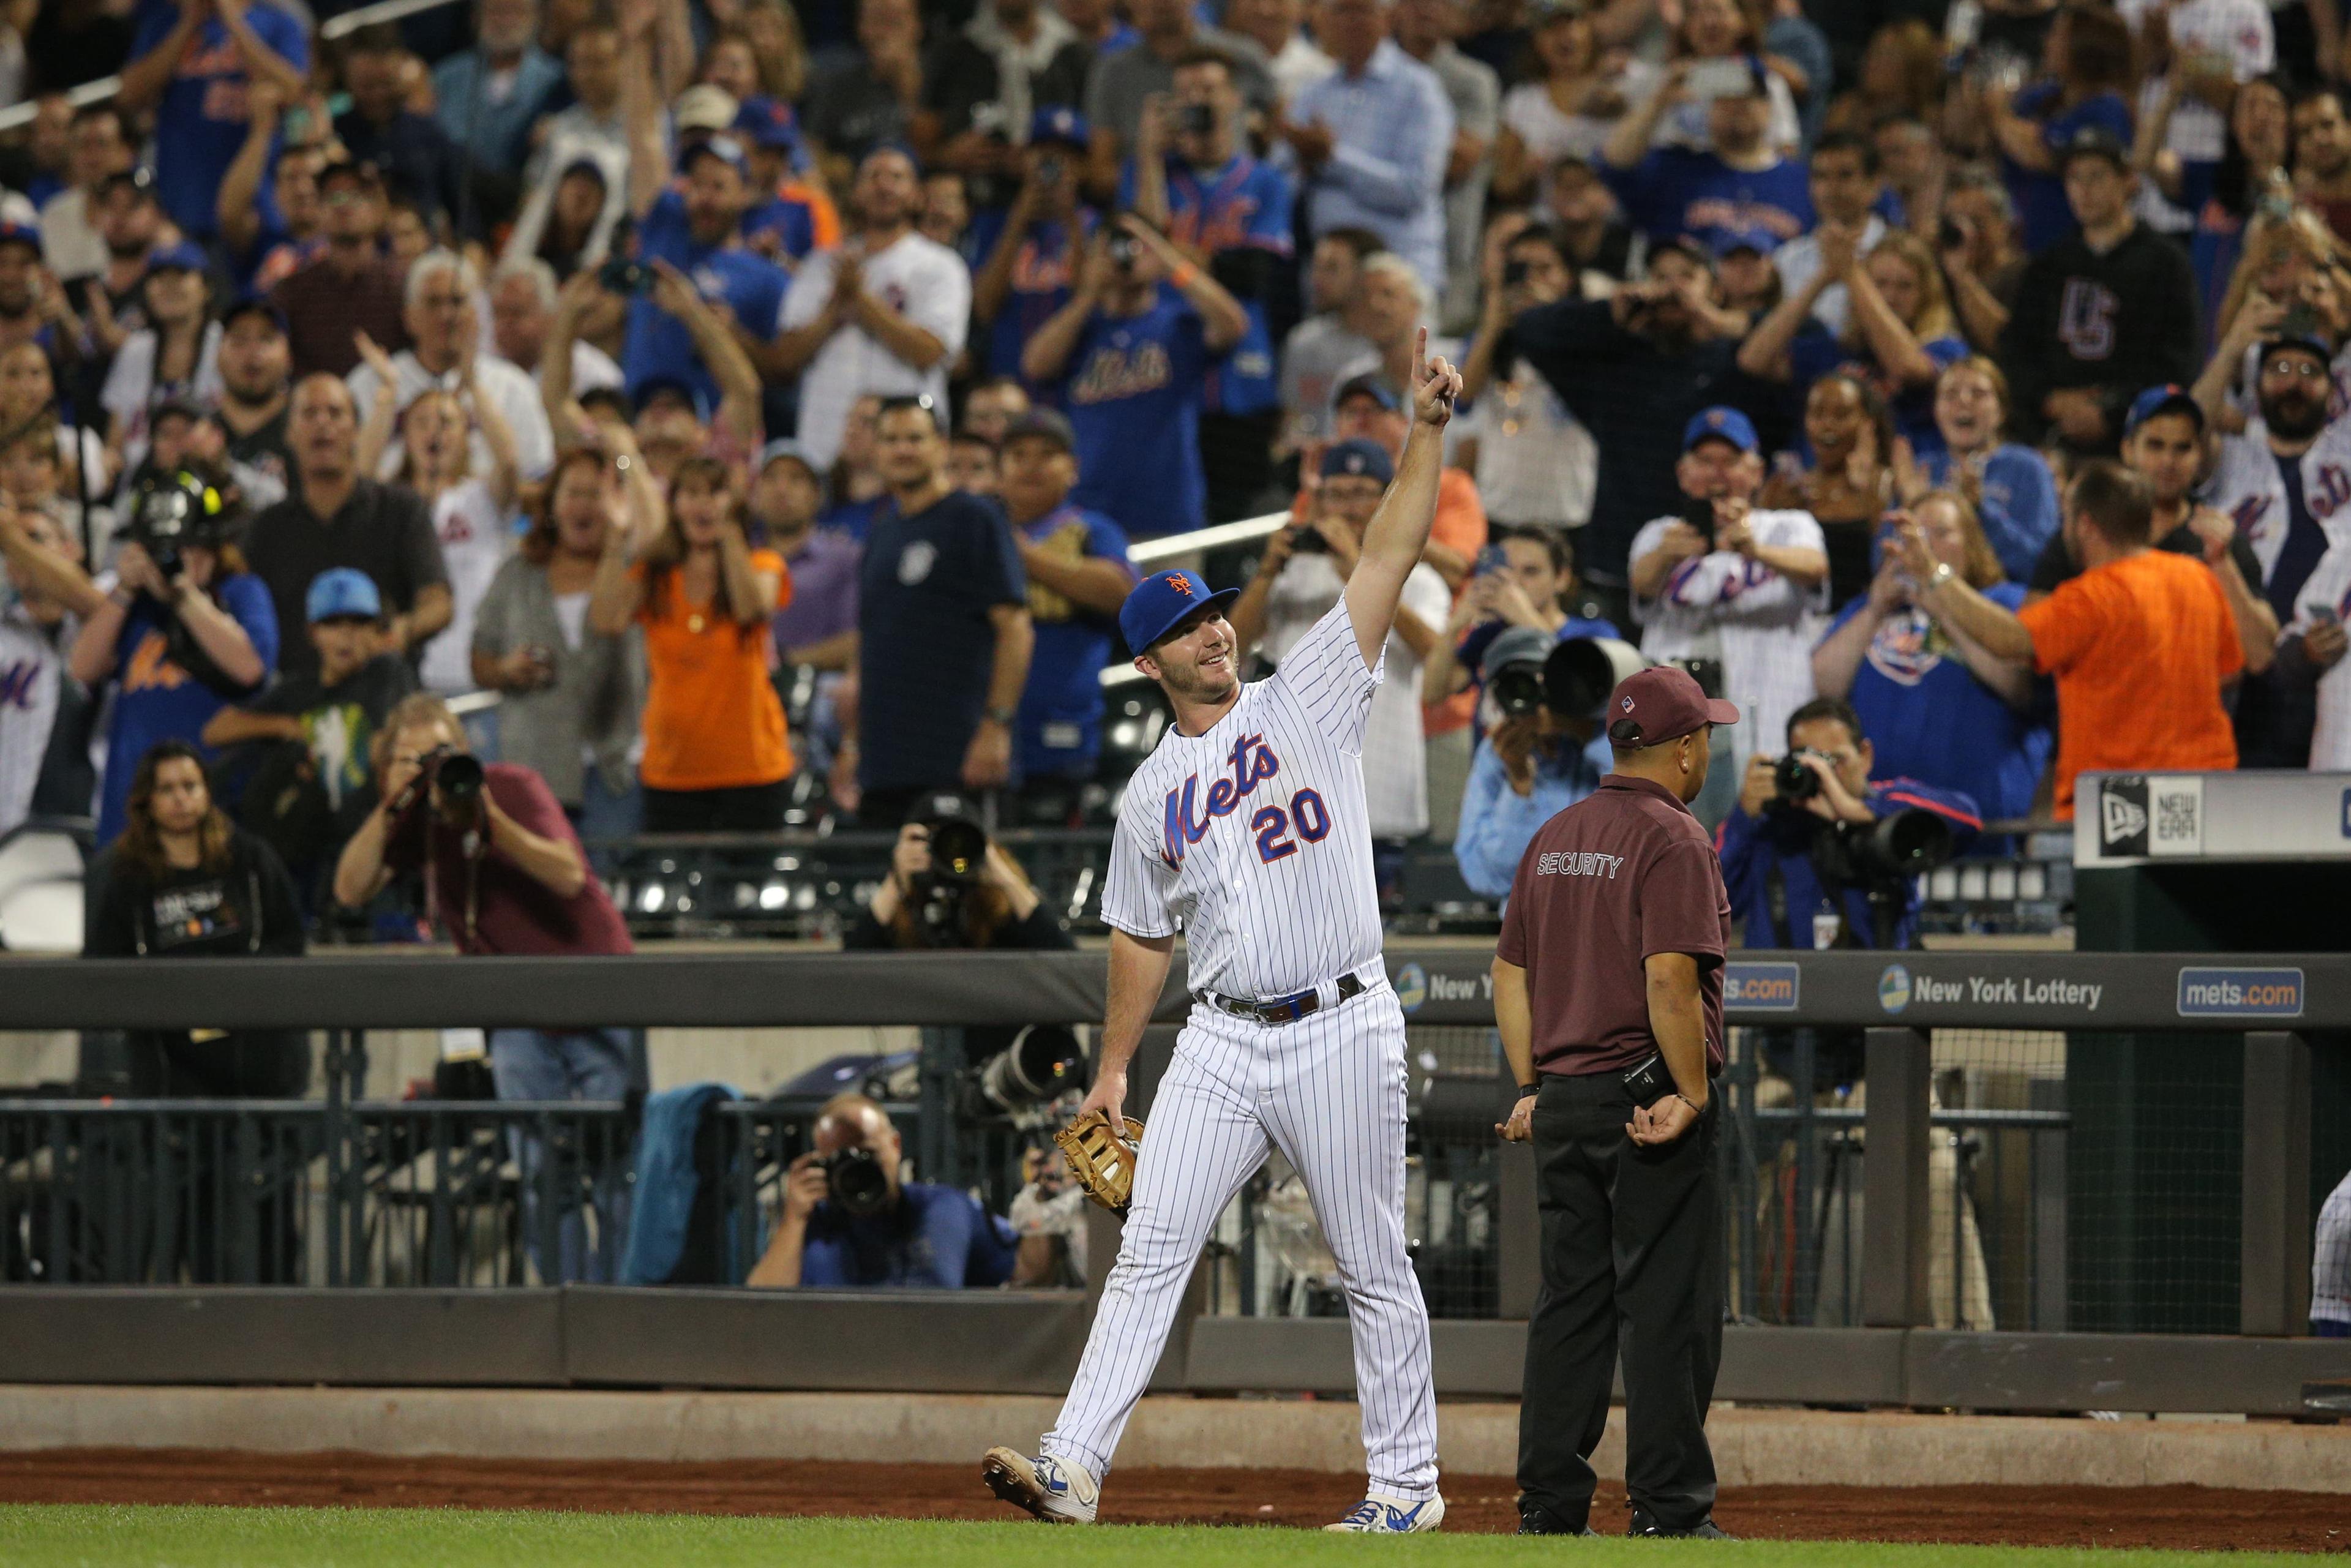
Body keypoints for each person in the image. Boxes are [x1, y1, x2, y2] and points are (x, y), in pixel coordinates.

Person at [982, 334, 1464, 1534]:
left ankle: (1406, 1487)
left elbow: (1395, 547)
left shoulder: (1308, 686)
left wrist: (1427, 431)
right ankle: (1073, 1464)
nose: (1213, 631)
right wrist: (1108, 1069)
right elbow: (1141, 937)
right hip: (1221, 1039)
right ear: (1151, 659)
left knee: (1369, 1256)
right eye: (1189, 626)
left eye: (1213, 613)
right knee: (1149, 1244)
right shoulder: (1149, 795)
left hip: (1344, 1016)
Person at [1494, 662, 1737, 1541]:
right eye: (1704, 734)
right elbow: (1669, 977)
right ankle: (1670, 1513)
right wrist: (1691, 1093)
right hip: (1646, 1100)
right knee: (1667, 1309)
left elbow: (1508, 972)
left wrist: (1532, 1085)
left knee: (1572, 1308)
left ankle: (1550, 1507)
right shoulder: (1674, 838)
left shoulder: (1557, 831)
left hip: (1563, 1102)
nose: (1706, 747)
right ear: (1681, 749)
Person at [332, 693, 636, 1283]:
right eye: (410, 757)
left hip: (594, 989)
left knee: (614, 1169)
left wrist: (487, 820)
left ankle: (624, 1313)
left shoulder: (512, 785)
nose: (429, 770)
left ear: (465, 752)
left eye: (439, 754)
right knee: (541, 1172)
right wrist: (393, 801)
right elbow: (350, 888)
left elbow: (568, 873)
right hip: (513, 1008)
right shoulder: (414, 821)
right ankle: (570, 1305)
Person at [1889, 460, 2240, 821]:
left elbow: (2010, 641)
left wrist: (1934, 573)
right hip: (2203, 794)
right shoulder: (2199, 578)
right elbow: (2229, 672)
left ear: (2085, 525)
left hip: (2119, 801)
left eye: (2067, 517)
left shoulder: (2092, 597)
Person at [1510, 239, 1766, 615]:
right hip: (1617, 562)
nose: (1672, 288)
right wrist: (1608, 315)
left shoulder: (1732, 364)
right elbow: (1530, 330)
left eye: (1686, 276)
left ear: (1713, 288)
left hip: (1713, 564)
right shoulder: (1617, 360)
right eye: (1660, 277)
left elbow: (1794, 343)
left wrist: (1712, 318)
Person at [1812, 491, 2051, 848]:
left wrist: (1943, 605)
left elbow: (2017, 683)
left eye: (1942, 533)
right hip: (1882, 826)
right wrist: (1876, 608)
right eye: (1917, 535)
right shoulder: (1872, 608)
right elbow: (1824, 684)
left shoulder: (2005, 601)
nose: (1926, 546)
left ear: (1971, 543)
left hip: (1984, 830)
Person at [1125, 48, 1297, 518]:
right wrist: (1148, 156)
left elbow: (1253, 276)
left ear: (1236, 99)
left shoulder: (1265, 182)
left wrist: (1174, 255)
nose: (1197, 101)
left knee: (1236, 520)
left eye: (1209, 89)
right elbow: (1141, 250)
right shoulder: (1150, 176)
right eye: (1185, 93)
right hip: (1166, 366)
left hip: (1243, 380)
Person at [850, 397, 1032, 827]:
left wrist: (997, 726)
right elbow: (872, 640)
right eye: (891, 439)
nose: (902, 450)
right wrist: (852, 742)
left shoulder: (974, 518)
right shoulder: (882, 531)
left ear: (941, 447)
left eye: (915, 438)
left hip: (957, 760)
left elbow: (1016, 628)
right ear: (875, 451)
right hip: (884, 765)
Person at [588, 455, 792, 832]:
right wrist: (616, 538)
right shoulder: (656, 575)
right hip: (672, 770)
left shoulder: (764, 563)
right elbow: (606, 620)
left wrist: (729, 532)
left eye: (716, 493)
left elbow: (751, 608)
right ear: (675, 505)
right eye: (691, 493)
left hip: (753, 768)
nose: (704, 504)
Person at [1020, 216, 1250, 538]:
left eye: (1134, 247)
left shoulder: (1176, 325)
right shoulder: (1081, 329)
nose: (1123, 257)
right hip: (1089, 512)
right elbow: (1035, 365)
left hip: (1167, 512)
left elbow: (1234, 325)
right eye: (1109, 248)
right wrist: (1090, 292)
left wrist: (1170, 264)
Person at [1626, 408, 1829, 771]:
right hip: (1676, 731)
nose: (1717, 473)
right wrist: (1667, 555)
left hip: (1769, 718)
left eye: (1731, 460)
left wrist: (1756, 550)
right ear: (1683, 474)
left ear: (1756, 473)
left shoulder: (1787, 526)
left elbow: (1816, 567)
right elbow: (1640, 581)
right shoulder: (1661, 534)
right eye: (1704, 461)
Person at [202, 568, 419, 895]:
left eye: (359, 623)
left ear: (376, 631)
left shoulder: (386, 675)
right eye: (333, 624)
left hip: (374, 852)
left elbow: (390, 738)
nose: (347, 636)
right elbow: (215, 730)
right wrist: (287, 727)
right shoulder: (296, 692)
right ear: (313, 632)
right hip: (309, 854)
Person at [474, 443, 648, 847]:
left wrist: (620, 535)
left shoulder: (634, 571)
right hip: (534, 766)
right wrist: (505, 671)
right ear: (552, 504)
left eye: (597, 494)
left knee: (610, 893)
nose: (585, 505)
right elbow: (479, 658)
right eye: (574, 493)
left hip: (615, 770)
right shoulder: (516, 573)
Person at [1717, 695, 1982, 950]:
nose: (1825, 775)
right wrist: (1744, 817)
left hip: (1874, 986)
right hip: (1782, 988)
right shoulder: (1768, 825)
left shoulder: (1887, 808)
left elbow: (1967, 818)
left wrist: (1858, 810)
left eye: (1836, 760)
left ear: (1865, 756)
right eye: (1809, 762)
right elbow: (1710, 908)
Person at [2000, 127, 2200, 457]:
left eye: (2096, 177)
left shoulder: (2166, 264)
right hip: (2051, 437)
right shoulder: (2049, 264)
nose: (2083, 191)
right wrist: (2050, 400)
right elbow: (2017, 350)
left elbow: (2179, 362)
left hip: (2136, 440)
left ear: (2129, 182)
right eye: (2074, 179)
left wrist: (2112, 408)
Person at [774, 146, 972, 473]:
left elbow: (930, 350)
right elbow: (785, 359)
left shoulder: (940, 266)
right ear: (856, 193)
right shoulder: (821, 266)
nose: (884, 186)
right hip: (824, 444)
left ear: (917, 196)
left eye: (897, 177)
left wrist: (861, 300)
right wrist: (836, 306)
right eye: (872, 177)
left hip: (906, 450)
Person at [243, 376, 451, 684]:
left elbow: (438, 602)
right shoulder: (265, 528)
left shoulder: (401, 509)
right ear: (288, 433)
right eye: (309, 413)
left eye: (335, 413)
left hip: (387, 695)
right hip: (299, 705)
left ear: (356, 429)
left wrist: (400, 632)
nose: (323, 423)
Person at [351, 335, 522, 701]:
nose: (435, 432)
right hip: (408, 674)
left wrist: (473, 385)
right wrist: (388, 393)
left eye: (447, 423)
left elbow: (509, 461)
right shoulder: (394, 503)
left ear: (466, 436)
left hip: (477, 673)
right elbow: (359, 479)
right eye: (422, 422)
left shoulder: (480, 497)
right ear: (406, 437)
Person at [999, 410, 1138, 817]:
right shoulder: (977, 528)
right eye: (1018, 454)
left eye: (1047, 454)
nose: (1032, 465)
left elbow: (1122, 594)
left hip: (1061, 727)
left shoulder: (1092, 529)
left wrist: (1023, 556)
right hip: (981, 728)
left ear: (1072, 469)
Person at [617, 116, 790, 422]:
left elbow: (781, 373)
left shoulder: (768, 279)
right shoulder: (663, 232)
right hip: (638, 424)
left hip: (712, 440)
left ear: (745, 194)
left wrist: (734, 334)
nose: (705, 197)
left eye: (719, 186)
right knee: (622, 464)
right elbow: (642, 136)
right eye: (696, 184)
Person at [748, 1092, 1019, 1288]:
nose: (860, 1170)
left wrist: (1045, 1200)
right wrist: (794, 1218)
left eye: (868, 1153)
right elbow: (761, 1309)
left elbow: (1026, 1274)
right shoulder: (813, 1226)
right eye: (843, 1160)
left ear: (896, 1145)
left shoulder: (946, 1209)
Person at [1281, 0, 1454, 295]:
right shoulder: (1314, 92)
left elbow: (1414, 190)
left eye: (1362, 10)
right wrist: (1299, 163)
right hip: (1329, 279)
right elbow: (1282, 178)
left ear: (1388, 18)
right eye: (1340, 11)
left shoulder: (1420, 90)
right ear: (1323, 21)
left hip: (1400, 276)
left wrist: (1331, 157)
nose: (1351, 21)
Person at [115, 0, 308, 242]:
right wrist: (188, 25)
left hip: (256, 206)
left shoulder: (276, 22)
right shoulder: (164, 23)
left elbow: (295, 89)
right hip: (181, 205)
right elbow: (129, 95)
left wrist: (233, 21)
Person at [1455, 219, 1598, 536]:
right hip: (1500, 509)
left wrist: (1550, 319)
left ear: (1569, 276)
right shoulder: (1489, 340)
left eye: (1545, 269)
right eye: (1521, 269)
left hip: (1567, 512)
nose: (1531, 279)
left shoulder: (1590, 337)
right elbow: (1462, 400)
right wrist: (1493, 323)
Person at [1452, 624, 1611, 901]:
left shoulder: (1600, 742)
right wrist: (1520, 782)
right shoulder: (1496, 754)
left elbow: (1640, 805)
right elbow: (1485, 876)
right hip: (1529, 926)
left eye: (1547, 683)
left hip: (1601, 915)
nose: (1537, 699)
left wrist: (1581, 728)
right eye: (1520, 687)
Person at [1600, 56, 1813, 257]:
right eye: (1726, 95)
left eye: (1749, 94)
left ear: (1769, 107)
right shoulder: (1675, 169)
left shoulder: (1806, 181)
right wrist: (1660, 100)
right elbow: (1616, 162)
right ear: (1707, 108)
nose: (1738, 104)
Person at [1081, 0, 1273, 203]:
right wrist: (1150, 156)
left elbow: (1276, 117)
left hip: (1238, 199)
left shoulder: (1243, 55)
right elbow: (1101, 173)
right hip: (1149, 200)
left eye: (1208, 89)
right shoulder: (1113, 71)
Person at [1983, 2, 2136, 254]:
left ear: (2084, 47)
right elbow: (2004, 135)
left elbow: (2040, 154)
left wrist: (1998, 113)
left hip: (2079, 247)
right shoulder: (2046, 96)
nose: (2048, 42)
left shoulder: (2107, 108)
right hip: (2030, 241)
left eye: (2059, 35)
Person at [972, 109, 1098, 394]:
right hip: (1008, 383)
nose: (1054, 167)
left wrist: (1071, 221)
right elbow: (985, 308)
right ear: (1023, 161)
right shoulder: (994, 223)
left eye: (1065, 157)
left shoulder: (1096, 225)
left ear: (1082, 167)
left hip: (1078, 381)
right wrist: (1018, 221)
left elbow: (1090, 300)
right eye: (1043, 156)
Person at [1903, 356, 2061, 585]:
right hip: (1925, 602)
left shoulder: (2028, 468)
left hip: (2003, 603)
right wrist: (1911, 506)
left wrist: (1980, 511)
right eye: (1950, 395)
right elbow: (1882, 562)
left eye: (1978, 394)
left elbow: (2039, 565)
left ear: (2002, 411)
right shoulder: (1921, 470)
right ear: (1936, 411)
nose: (1964, 402)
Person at [844, 798, 1078, 950]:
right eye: (931, 839)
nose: (947, 852)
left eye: (960, 840)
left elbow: (1065, 957)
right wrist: (896, 883)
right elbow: (846, 969)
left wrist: (1005, 879)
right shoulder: (904, 901)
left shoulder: (993, 898)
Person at [1754, 372, 1895, 607]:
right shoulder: (1783, 488)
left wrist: (1864, 493)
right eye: (1817, 414)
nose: (1827, 424)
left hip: (1863, 620)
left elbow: (1887, 563)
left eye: (1841, 415)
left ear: (1867, 424)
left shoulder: (1887, 484)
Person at [270, 159, 412, 380]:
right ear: (318, 210)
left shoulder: (405, 286)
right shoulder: (292, 291)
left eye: (356, 196)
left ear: (377, 209)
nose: (343, 205)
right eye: (333, 197)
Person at [1492, 2, 1638, 218]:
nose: (1564, 36)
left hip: (1614, 224)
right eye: (1551, 28)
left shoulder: (1626, 81)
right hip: (1548, 225)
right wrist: (1526, 172)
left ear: (1590, 29)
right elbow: (1503, 184)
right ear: (1536, 41)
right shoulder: (1522, 102)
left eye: (1572, 24)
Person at [334, 28, 466, 236]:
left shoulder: (430, 135)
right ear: (348, 82)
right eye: (367, 86)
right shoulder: (334, 137)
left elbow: (464, 217)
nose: (377, 96)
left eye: (386, 84)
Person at [1768, 132, 1887, 342]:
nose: (1831, 189)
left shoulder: (1897, 252)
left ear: (1874, 184)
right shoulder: (1785, 258)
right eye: (1821, 176)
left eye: (1845, 176)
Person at [1279, 227, 1385, 451]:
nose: (1317, 279)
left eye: (1332, 268)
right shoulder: (1303, 342)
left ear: (1365, 276)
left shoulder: (1386, 345)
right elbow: (1291, 420)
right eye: (1316, 267)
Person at [214, 298, 296, 513]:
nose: (252, 352)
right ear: (217, 357)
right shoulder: (193, 434)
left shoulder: (307, 435)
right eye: (239, 341)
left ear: (289, 357)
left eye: (267, 339)